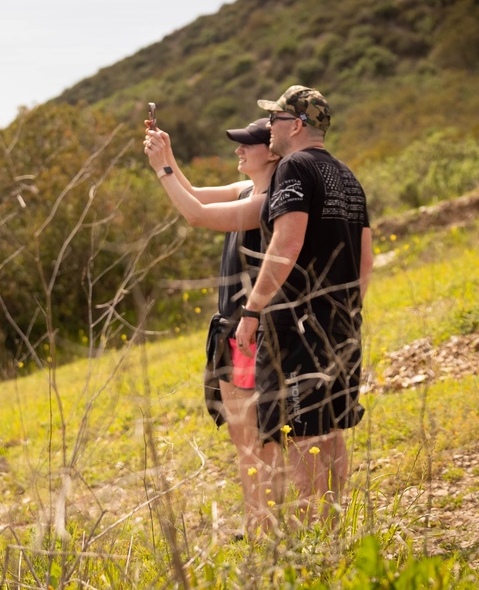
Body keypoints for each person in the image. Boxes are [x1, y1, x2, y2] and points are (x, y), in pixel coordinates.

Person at [234, 85, 373, 527]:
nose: (270, 127)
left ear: (295, 126)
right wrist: (346, 308)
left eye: (275, 119)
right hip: (341, 323)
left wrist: (253, 309)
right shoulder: (346, 175)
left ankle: (315, 537)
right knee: (330, 430)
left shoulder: (293, 167)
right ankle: (332, 527)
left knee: (301, 433)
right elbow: (365, 257)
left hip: (297, 325)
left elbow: (286, 243)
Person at [142, 116, 280, 536]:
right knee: (244, 439)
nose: (237, 150)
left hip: (248, 333)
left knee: (258, 438)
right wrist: (164, 156)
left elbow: (197, 215)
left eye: (246, 145)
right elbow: (195, 193)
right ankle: (259, 521)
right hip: (231, 332)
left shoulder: (271, 200)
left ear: (271, 152)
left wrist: (163, 170)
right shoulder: (245, 189)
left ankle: (268, 525)